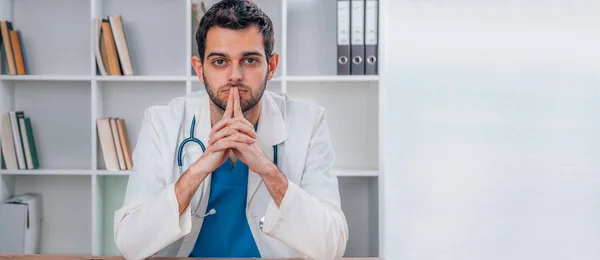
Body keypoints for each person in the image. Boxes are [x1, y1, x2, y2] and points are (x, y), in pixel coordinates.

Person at [113, 0, 348, 259]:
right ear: (199, 69)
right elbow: (130, 244)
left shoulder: (308, 122)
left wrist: (267, 170)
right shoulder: (163, 122)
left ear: (271, 66)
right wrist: (199, 169)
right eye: (219, 61)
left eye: (249, 60)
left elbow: (332, 247)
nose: (235, 75)